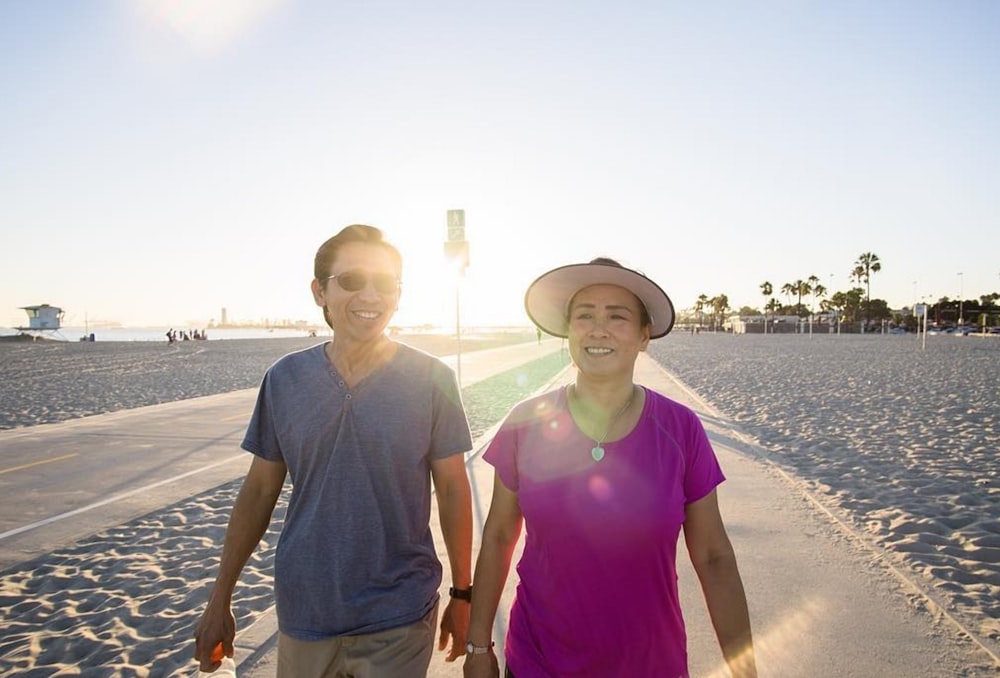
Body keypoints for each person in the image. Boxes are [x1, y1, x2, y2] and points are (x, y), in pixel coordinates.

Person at [194, 224, 475, 677]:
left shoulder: (432, 379)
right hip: (306, 611)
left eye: (384, 283)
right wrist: (219, 597)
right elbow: (259, 491)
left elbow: (454, 489)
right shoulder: (284, 379)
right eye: (351, 281)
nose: (369, 295)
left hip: (399, 613)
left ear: (398, 296)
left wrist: (463, 594)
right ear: (319, 292)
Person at [463, 258, 757, 678]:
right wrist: (478, 648)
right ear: (568, 331)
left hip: (651, 664)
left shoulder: (680, 429)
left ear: (643, 337)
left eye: (617, 316)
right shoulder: (525, 422)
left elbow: (713, 556)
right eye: (585, 315)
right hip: (538, 662)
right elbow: (496, 536)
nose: (598, 329)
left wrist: (744, 670)